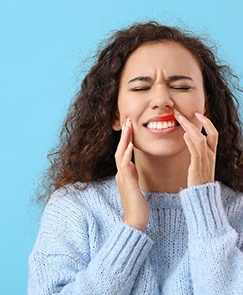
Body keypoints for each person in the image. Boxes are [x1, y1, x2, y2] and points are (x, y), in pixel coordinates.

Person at [28, 21, 243, 294]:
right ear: (114, 114)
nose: (162, 100)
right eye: (141, 88)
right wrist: (131, 226)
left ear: (207, 107)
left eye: (181, 87)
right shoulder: (75, 209)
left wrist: (205, 206)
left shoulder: (238, 212)